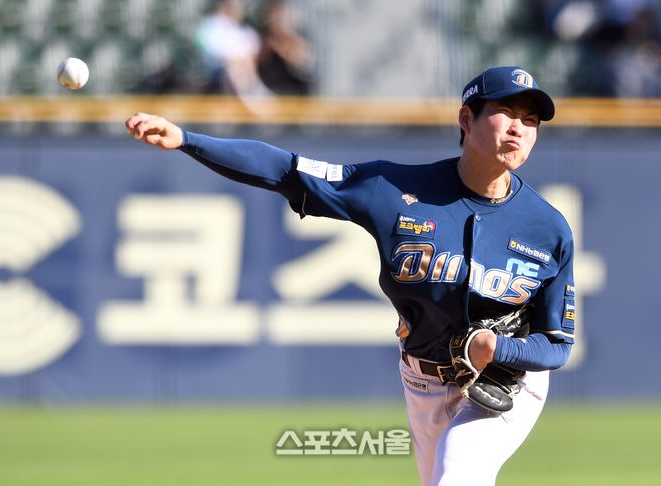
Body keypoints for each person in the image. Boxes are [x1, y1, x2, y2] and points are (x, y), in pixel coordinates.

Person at [125, 65, 575, 486]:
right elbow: (286, 169)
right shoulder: (393, 190)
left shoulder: (549, 229)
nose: (518, 128)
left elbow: (557, 343)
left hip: (505, 382)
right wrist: (186, 139)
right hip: (424, 382)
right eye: (504, 112)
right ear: (465, 119)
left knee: (456, 471)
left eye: (530, 120)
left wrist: (500, 348)